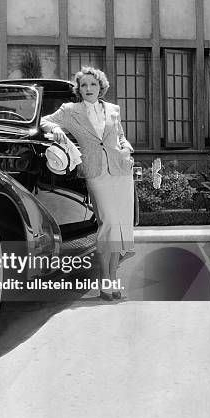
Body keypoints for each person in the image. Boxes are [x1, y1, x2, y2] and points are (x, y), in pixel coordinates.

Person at [40, 66, 135, 301]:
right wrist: (57, 130)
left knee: (119, 227)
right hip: (95, 172)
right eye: (84, 85)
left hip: (121, 170)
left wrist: (127, 147)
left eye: (93, 84)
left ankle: (112, 282)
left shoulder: (113, 109)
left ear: (100, 86)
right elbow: (44, 121)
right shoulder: (70, 110)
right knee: (109, 224)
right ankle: (105, 281)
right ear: (79, 89)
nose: (89, 89)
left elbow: (120, 136)